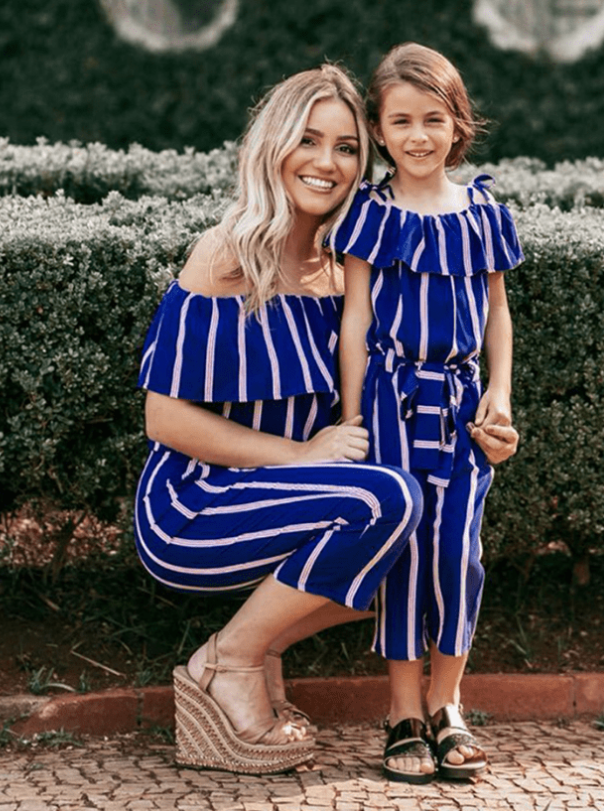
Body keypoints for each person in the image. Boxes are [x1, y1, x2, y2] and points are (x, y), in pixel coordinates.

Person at [133, 64, 423, 775]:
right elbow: (164, 417)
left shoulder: (340, 272)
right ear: (273, 145)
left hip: (283, 495)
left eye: (348, 147)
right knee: (385, 501)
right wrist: (302, 455)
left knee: (418, 540)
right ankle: (227, 661)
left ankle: (252, 649)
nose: (327, 162)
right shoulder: (228, 254)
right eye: (309, 139)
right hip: (193, 505)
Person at [330, 43, 522, 783]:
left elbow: (497, 314)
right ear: (379, 130)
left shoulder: (484, 212)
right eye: (401, 120)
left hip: (462, 408)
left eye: (433, 119)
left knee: (458, 556)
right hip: (388, 401)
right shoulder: (370, 216)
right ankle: (403, 713)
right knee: (404, 556)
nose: (418, 135)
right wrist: (351, 418)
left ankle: (449, 704)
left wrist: (499, 392)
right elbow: (353, 322)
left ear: (457, 124)